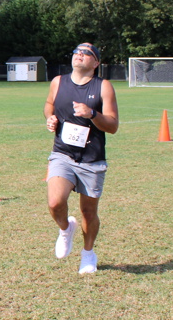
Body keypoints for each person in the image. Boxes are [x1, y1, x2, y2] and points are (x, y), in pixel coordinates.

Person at [43, 43, 119, 275]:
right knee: (55, 202)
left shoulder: (103, 86)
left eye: (87, 53)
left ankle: (88, 254)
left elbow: (113, 125)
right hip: (62, 153)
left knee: (88, 212)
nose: (80, 55)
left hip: (92, 159)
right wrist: (50, 117)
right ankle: (66, 229)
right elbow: (49, 104)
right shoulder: (58, 81)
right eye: (77, 52)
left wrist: (92, 114)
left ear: (96, 63)